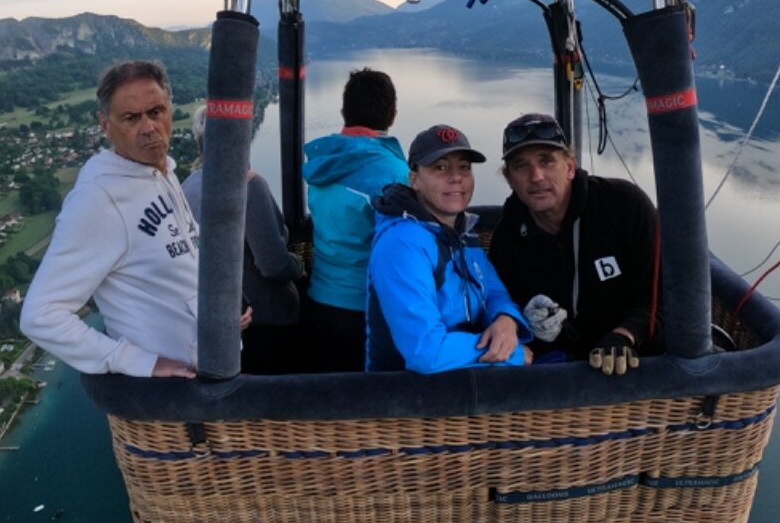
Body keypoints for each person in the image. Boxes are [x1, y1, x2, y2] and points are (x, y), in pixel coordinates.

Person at [21, 60, 228, 378]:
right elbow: (39, 315)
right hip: (173, 399)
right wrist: (139, 362)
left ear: (170, 111)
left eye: (156, 112)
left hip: (211, 370)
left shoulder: (163, 171)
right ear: (105, 124)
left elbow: (178, 256)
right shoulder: (98, 198)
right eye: (131, 118)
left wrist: (220, 309)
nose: (148, 127)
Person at [488, 112, 662, 375]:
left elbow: (663, 293)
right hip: (560, 373)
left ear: (570, 167)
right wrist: (518, 321)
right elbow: (503, 300)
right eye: (521, 166)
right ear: (510, 179)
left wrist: (625, 335)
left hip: (635, 366)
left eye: (547, 161)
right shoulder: (508, 235)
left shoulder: (624, 206)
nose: (536, 176)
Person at [367, 125, 531, 373]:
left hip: (464, 380)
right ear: (414, 180)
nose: (456, 177)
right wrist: (513, 352)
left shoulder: (462, 230)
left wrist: (506, 321)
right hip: (407, 396)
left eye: (464, 167)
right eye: (440, 167)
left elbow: (494, 293)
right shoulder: (401, 245)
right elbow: (426, 352)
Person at [302, 68, 410, 370]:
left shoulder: (322, 162)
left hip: (320, 300)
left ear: (344, 111)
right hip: (369, 309)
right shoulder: (395, 173)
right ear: (392, 114)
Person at [182, 107, 303, 374]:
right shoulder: (249, 185)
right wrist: (299, 266)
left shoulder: (188, 186)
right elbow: (273, 265)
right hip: (268, 321)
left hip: (224, 322)